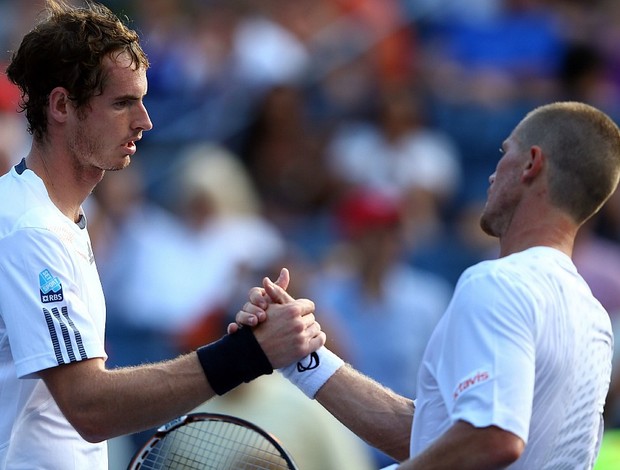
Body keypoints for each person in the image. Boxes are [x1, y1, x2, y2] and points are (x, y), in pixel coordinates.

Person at [0, 2, 324, 469]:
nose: (145, 121)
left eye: (143, 100)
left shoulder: (49, 216)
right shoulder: (32, 231)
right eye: (121, 103)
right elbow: (89, 405)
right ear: (61, 106)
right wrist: (247, 354)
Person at [235, 101, 620, 468]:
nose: (491, 172)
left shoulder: (498, 282)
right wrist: (300, 356)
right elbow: (431, 441)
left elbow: (492, 438)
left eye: (506, 152)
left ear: (532, 163)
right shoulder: (595, 319)